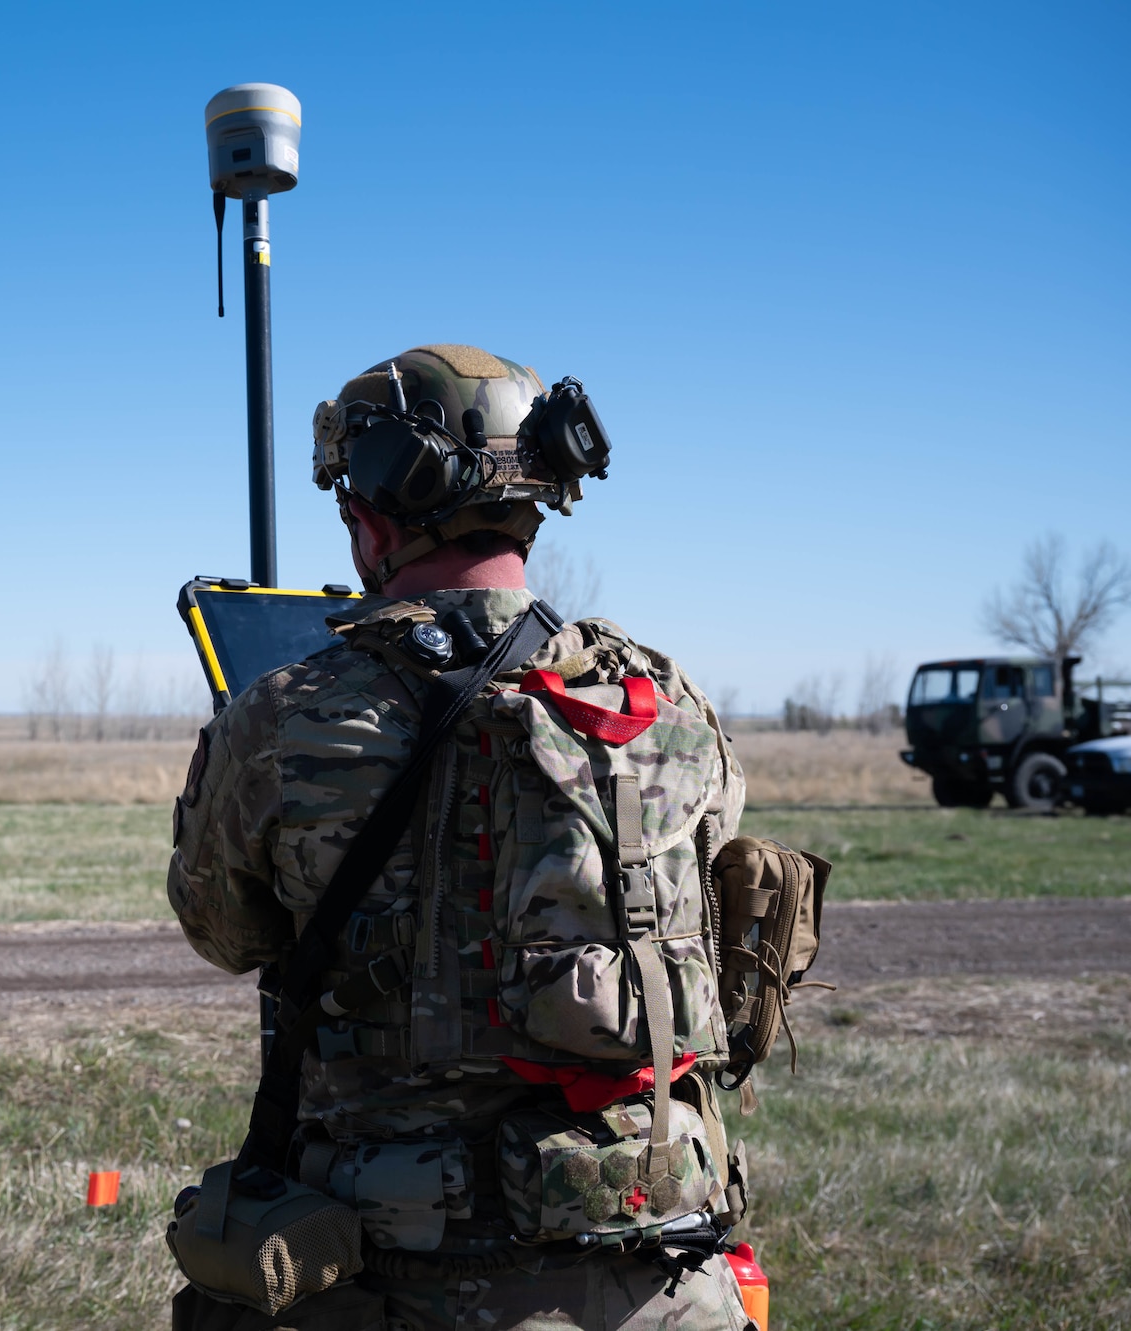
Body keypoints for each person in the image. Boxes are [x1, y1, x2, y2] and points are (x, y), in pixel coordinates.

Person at [167, 345, 759, 1330]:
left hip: (390, 1281)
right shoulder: (668, 702)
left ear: (367, 521)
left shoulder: (285, 716)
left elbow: (225, 933)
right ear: (533, 510)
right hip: (661, 1278)